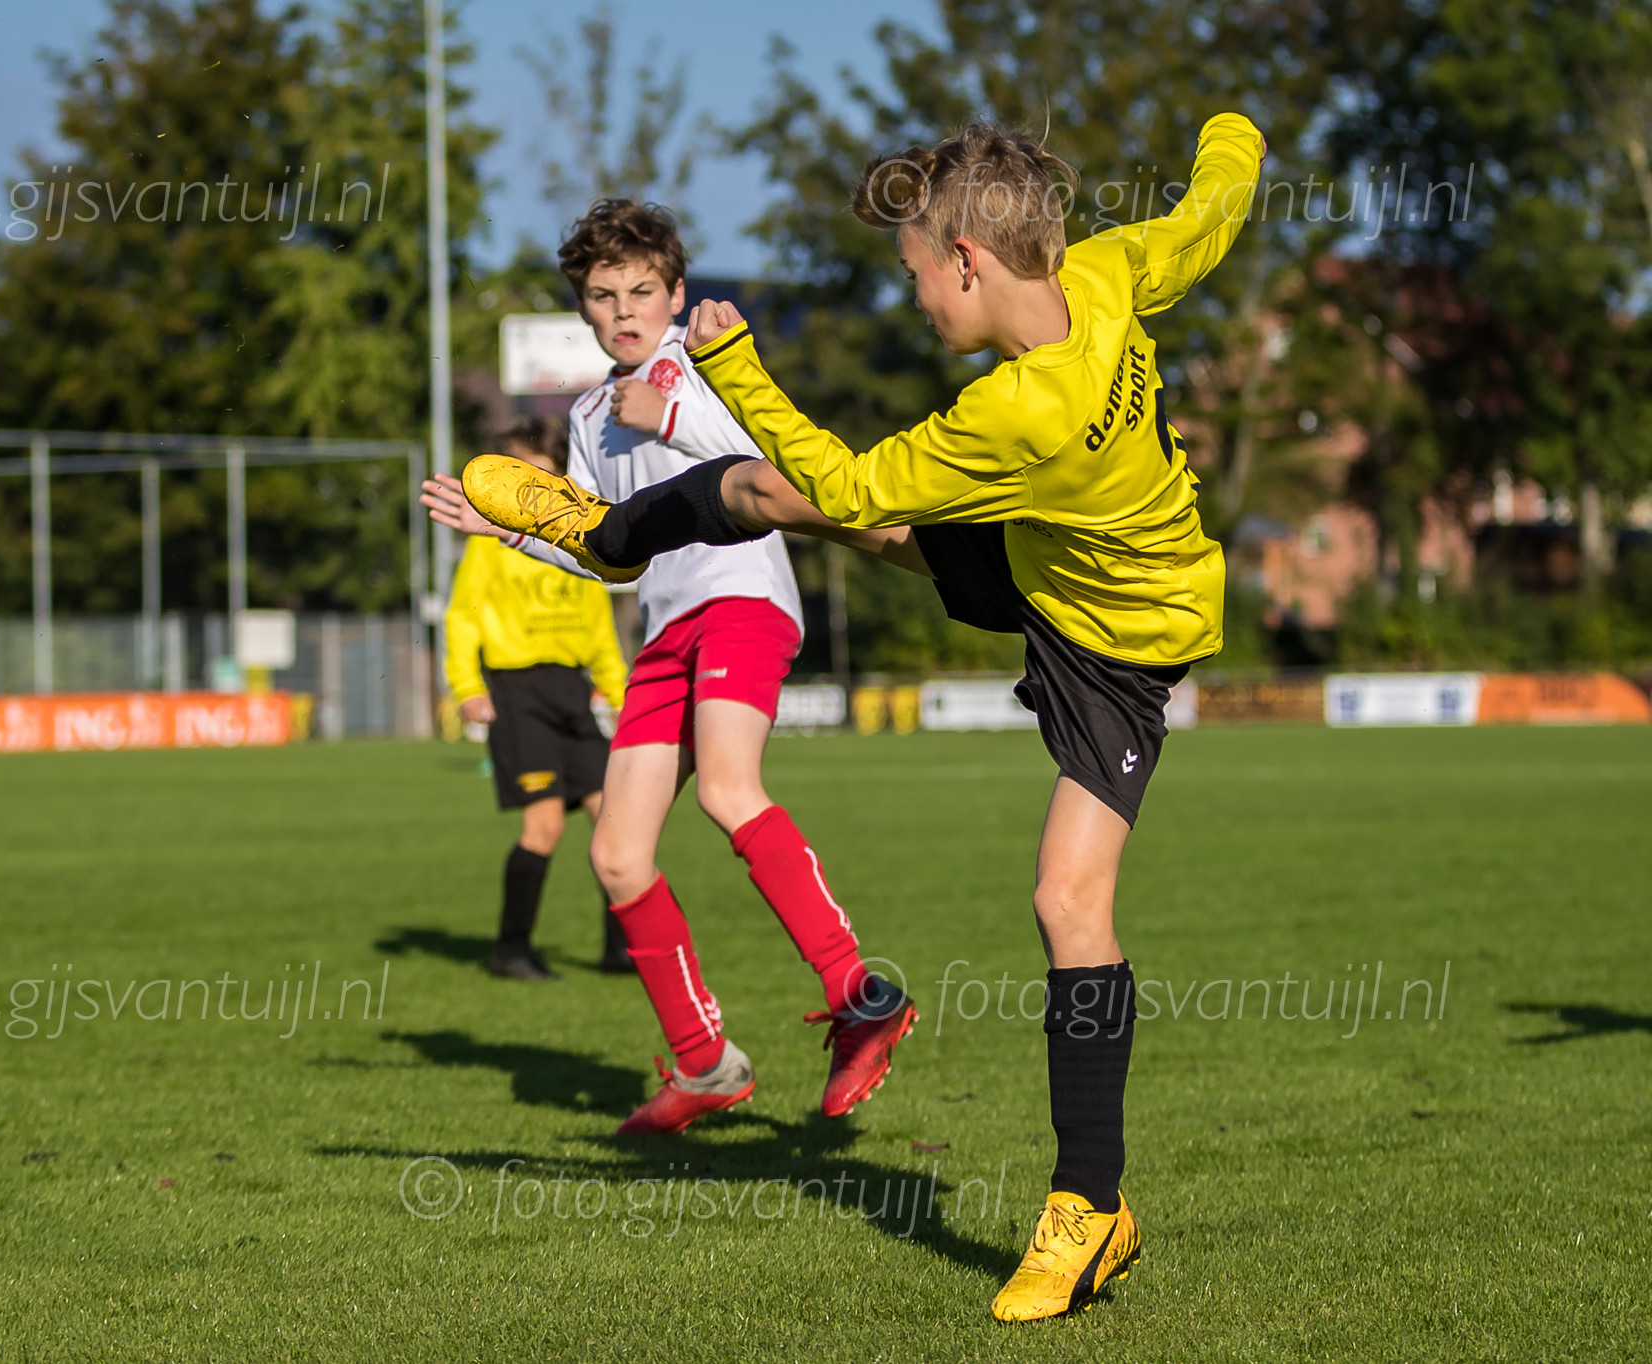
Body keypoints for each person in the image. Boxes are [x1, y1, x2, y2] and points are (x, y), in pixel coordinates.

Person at [458, 115, 1265, 1321]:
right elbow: (1205, 222)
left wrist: (738, 371)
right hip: (1050, 554)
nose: (913, 297)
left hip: (1121, 641)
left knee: (1065, 898)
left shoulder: (1019, 413)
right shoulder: (1099, 272)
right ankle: (608, 533)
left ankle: (1088, 1206)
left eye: (911, 271)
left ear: (966, 262)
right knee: (779, 494)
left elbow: (843, 483)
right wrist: (1232, 141)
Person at [423, 199, 917, 1137]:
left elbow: (771, 473)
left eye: (642, 291)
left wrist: (674, 413)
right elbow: (608, 553)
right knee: (616, 855)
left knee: (729, 790)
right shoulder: (586, 416)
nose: (624, 311)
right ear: (583, 307)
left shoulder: (706, 365)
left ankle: (861, 995)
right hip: (663, 633)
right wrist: (514, 528)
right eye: (603, 296)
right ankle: (704, 1062)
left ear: (677, 294)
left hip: (741, 600)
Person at [443, 417, 630, 980]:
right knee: (544, 827)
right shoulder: (491, 543)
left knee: (616, 823)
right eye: (518, 474)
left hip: (573, 690)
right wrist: (467, 686)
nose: (530, 485)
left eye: (541, 474)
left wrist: (620, 690)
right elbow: (463, 615)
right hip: (518, 691)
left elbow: (598, 625)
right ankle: (511, 950)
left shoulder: (571, 535)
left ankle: (622, 950)